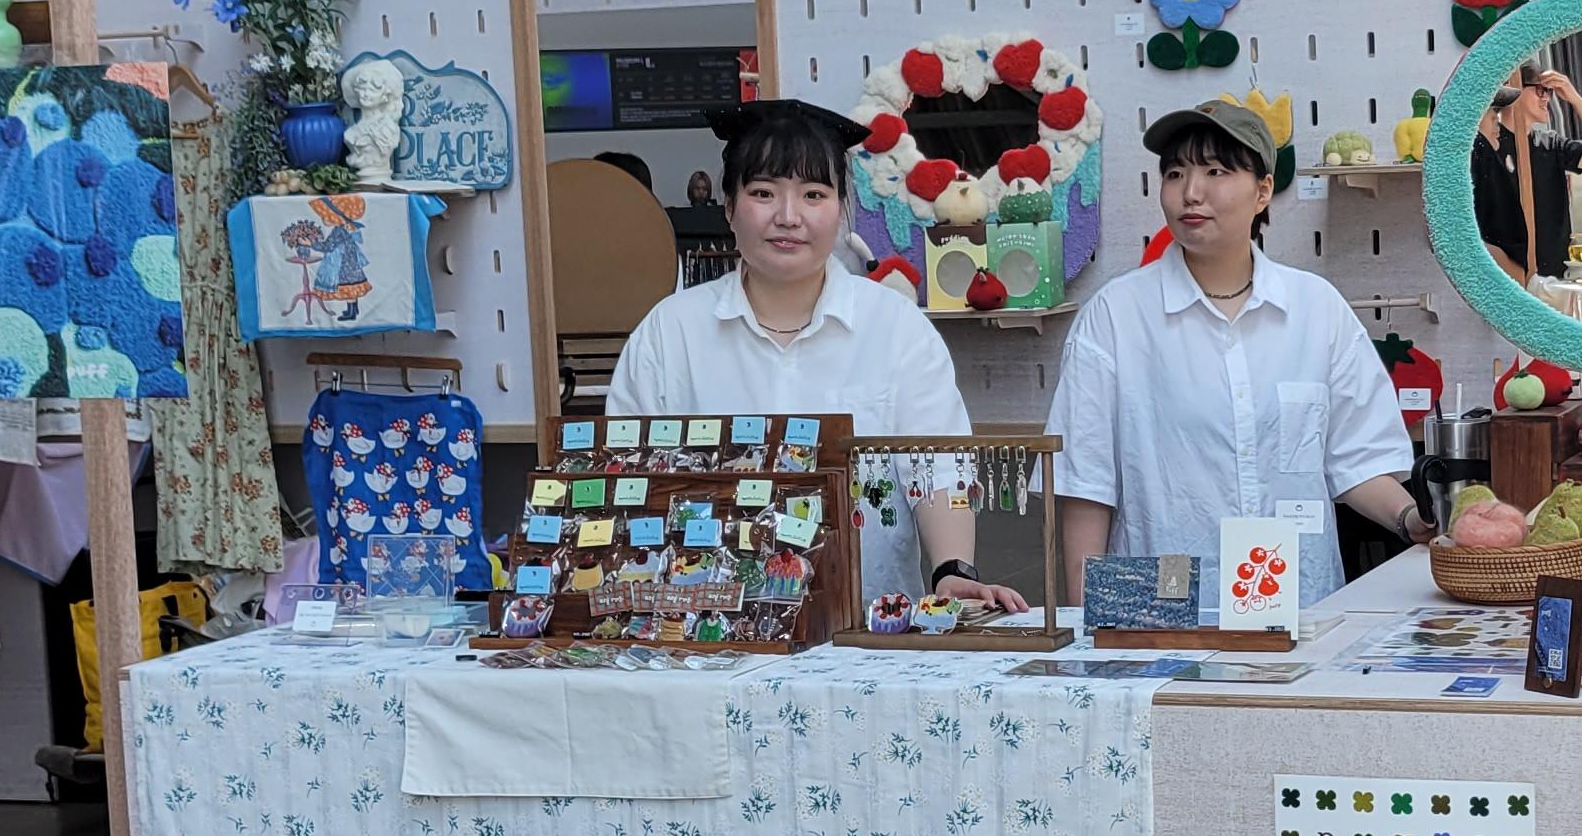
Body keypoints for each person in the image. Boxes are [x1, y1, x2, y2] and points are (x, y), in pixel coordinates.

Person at [607, 101, 1028, 616]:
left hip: (866, 627)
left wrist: (952, 570)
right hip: (704, 628)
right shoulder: (669, 333)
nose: (788, 217)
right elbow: (627, 480)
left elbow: (938, 464)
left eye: (813, 194)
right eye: (763, 193)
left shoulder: (895, 327)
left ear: (841, 209)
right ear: (728, 206)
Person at [1052, 98, 1424, 613]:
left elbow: (1358, 460)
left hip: (1298, 604)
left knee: (1294, 667)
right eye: (1175, 173)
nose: (1191, 192)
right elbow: (1085, 484)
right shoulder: (1116, 315)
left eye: (1216, 171)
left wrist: (1414, 521)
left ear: (1263, 190)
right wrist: (1085, 624)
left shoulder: (1315, 309)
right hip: (1158, 610)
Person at [1471, 64, 1582, 281]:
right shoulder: (1490, 144)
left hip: (1554, 276)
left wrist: (1575, 99)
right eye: (1540, 89)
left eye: (1550, 91)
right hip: (1507, 275)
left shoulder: (1550, 144)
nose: (1546, 97)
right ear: (1515, 87)